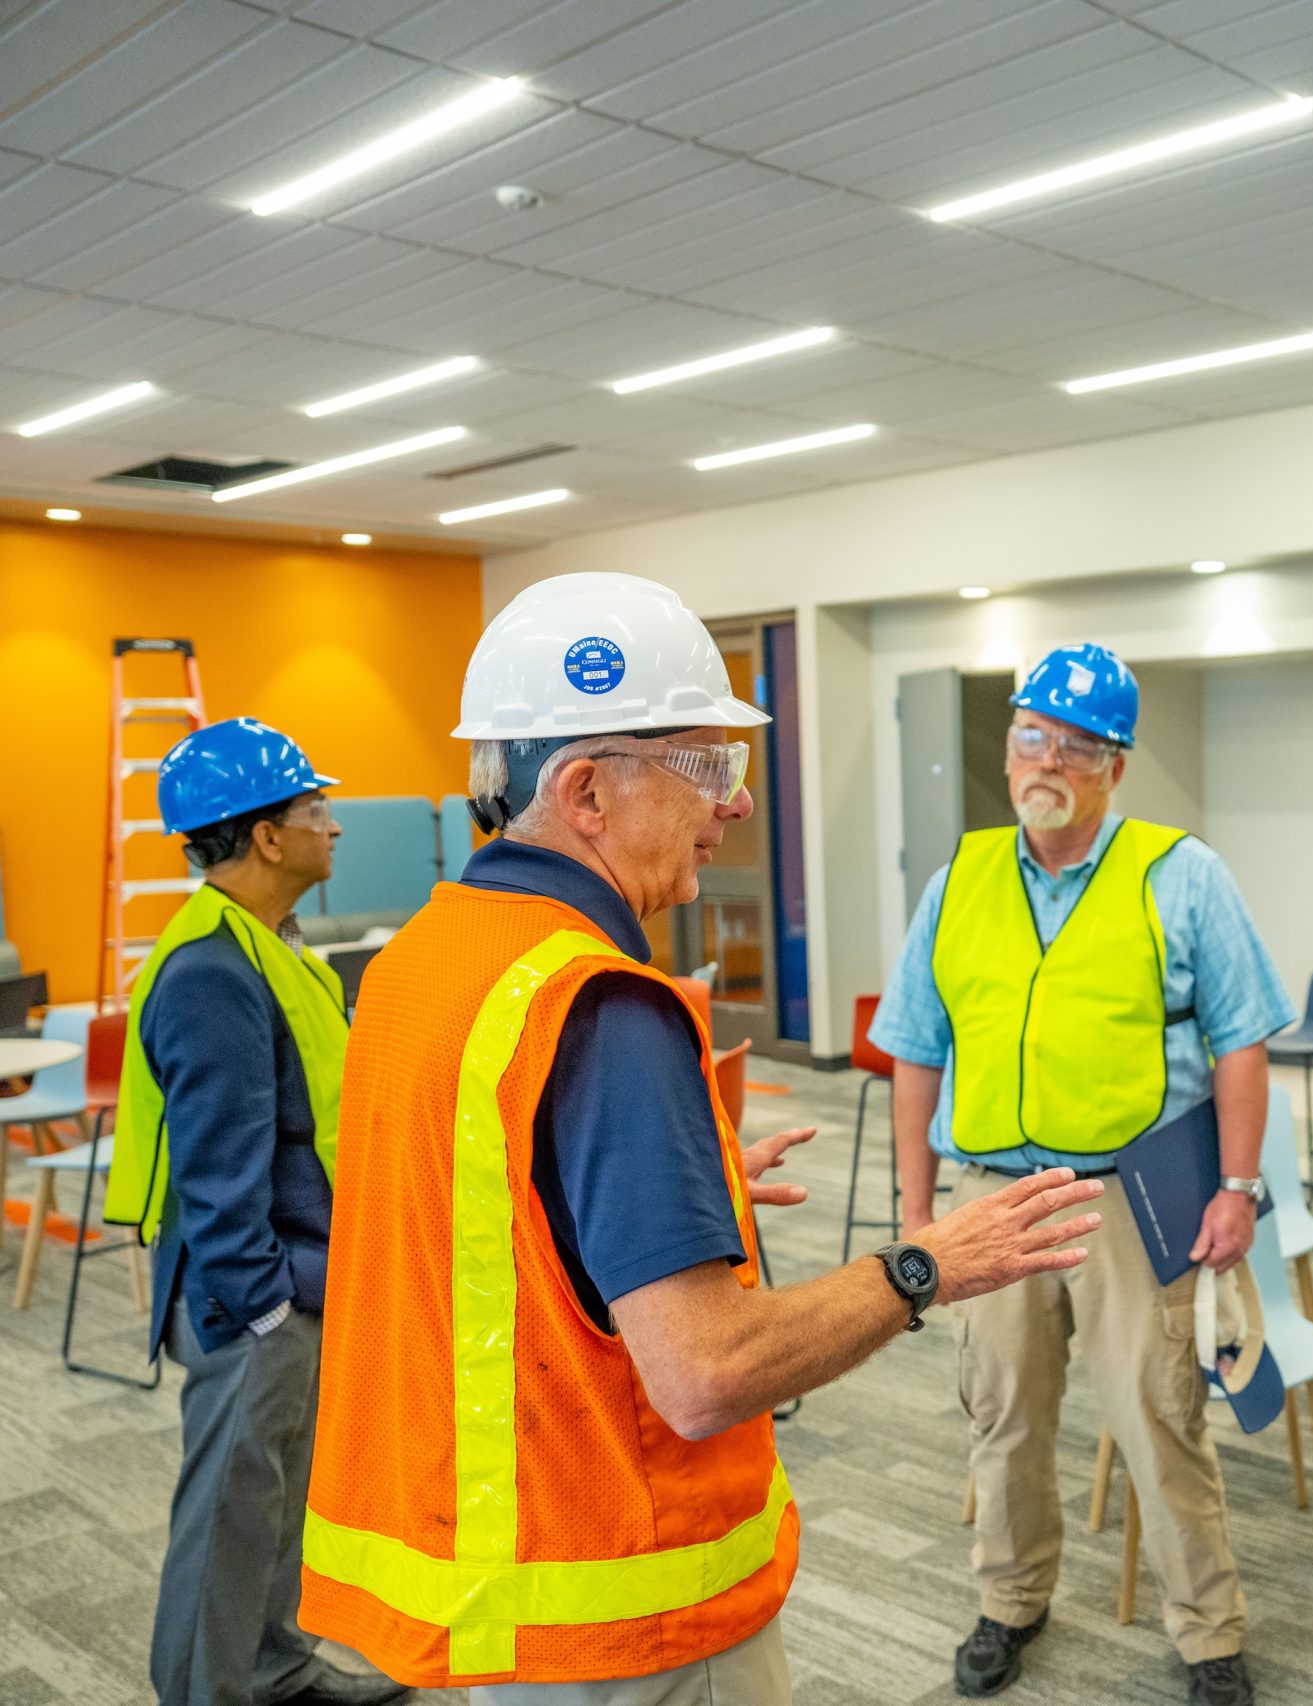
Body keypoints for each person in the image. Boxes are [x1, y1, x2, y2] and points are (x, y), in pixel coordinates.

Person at [299, 573, 1103, 1703]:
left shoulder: (418, 964)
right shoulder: (602, 1007)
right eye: (706, 768)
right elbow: (705, 1370)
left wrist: (679, 1175)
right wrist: (928, 1264)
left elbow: (488, 1215)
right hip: (627, 1606)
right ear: (585, 791)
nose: (731, 806)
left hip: (497, 1589)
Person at [874, 642, 1294, 1706]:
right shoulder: (957, 879)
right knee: (1001, 1414)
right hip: (991, 1195)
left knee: (1159, 1416)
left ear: (1114, 764)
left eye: (1075, 742)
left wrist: (1236, 1187)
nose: (1045, 757)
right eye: (1030, 735)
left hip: (1124, 1195)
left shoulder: (1180, 872)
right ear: (1009, 746)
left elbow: (1243, 1040)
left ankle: (1209, 1630)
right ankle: (1009, 1601)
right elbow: (917, 1047)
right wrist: (915, 1207)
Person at [102, 718, 406, 1706]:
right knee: (232, 1510)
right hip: (254, 1300)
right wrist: (268, 1310)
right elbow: (217, 1174)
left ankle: (272, 1664)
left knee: (283, 1502)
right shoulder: (212, 973)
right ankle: (203, 1689)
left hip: (305, 1275)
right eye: (316, 809)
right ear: (267, 836)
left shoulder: (269, 941)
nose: (335, 826)